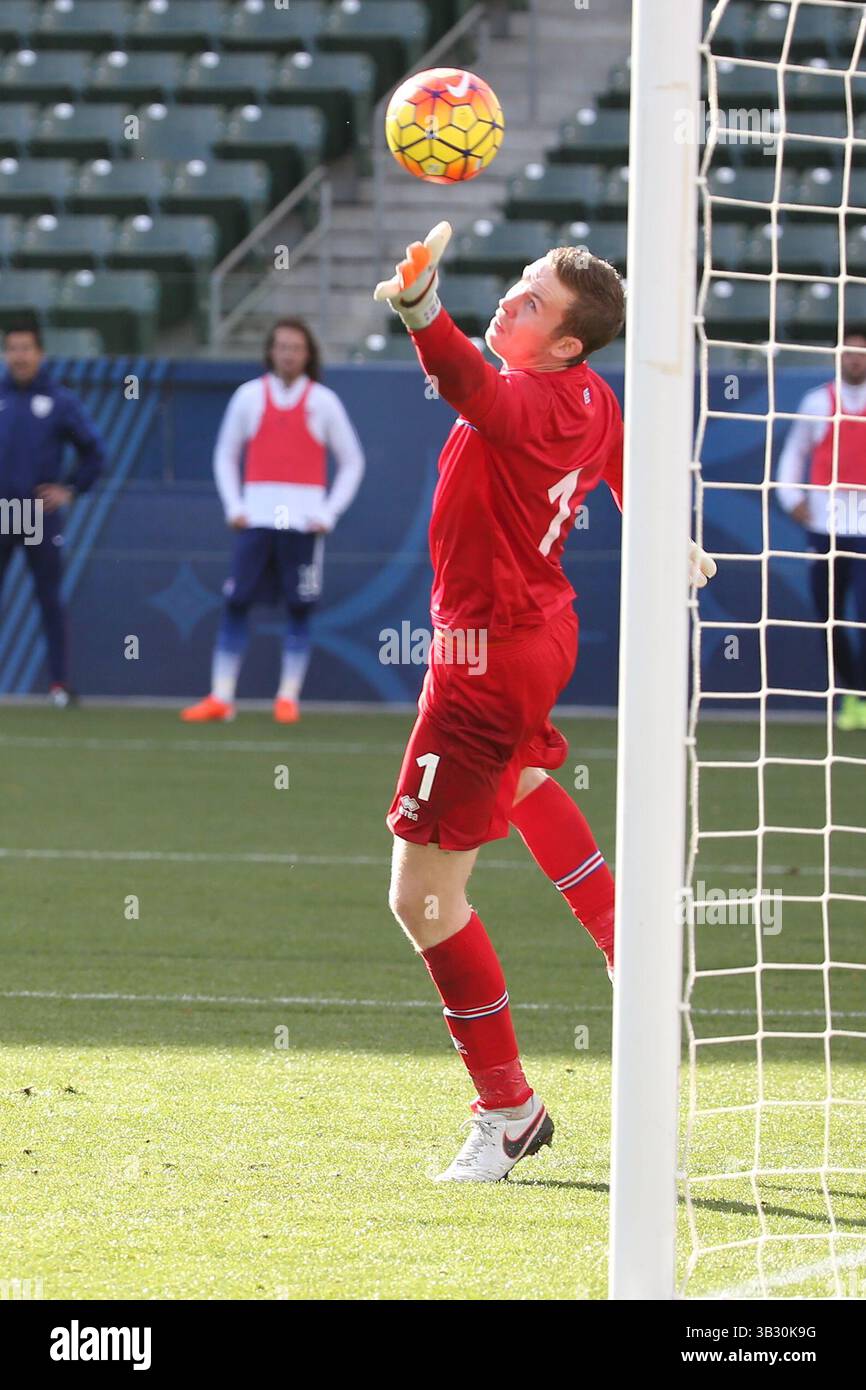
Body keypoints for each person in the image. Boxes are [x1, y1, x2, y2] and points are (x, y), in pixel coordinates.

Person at [374, 224, 716, 1182]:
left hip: (482, 657)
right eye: (519, 286)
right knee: (521, 779)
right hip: (535, 634)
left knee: (423, 897)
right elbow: (619, 466)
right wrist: (666, 532)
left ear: (564, 343)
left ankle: (508, 1109)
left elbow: (466, 384)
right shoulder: (588, 394)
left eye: (532, 303)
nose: (511, 302)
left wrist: (419, 308)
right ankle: (626, 940)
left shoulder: (519, 397)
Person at [182, 317, 365, 724]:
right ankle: (222, 697)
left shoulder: (323, 402)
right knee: (237, 602)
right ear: (270, 351)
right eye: (281, 346)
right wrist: (235, 505)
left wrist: (328, 512)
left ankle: (287, 697)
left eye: (295, 347)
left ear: (308, 354)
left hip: (303, 526)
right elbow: (225, 454)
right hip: (256, 521)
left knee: (299, 608)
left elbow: (353, 462)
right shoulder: (248, 397)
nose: (287, 354)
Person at [0, 321, 104, 705]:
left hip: (36, 511)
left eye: (26, 348)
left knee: (48, 599)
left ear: (40, 353)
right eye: (12, 349)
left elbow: (94, 452)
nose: (19, 356)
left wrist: (71, 489)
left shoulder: (59, 401)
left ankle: (59, 684)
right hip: (2, 510)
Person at [776, 330, 866, 731]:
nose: (855, 360)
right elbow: (794, 454)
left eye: (861, 354)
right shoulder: (816, 402)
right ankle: (853, 695)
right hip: (826, 527)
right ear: (838, 357)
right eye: (849, 352)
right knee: (827, 617)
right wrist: (791, 498)